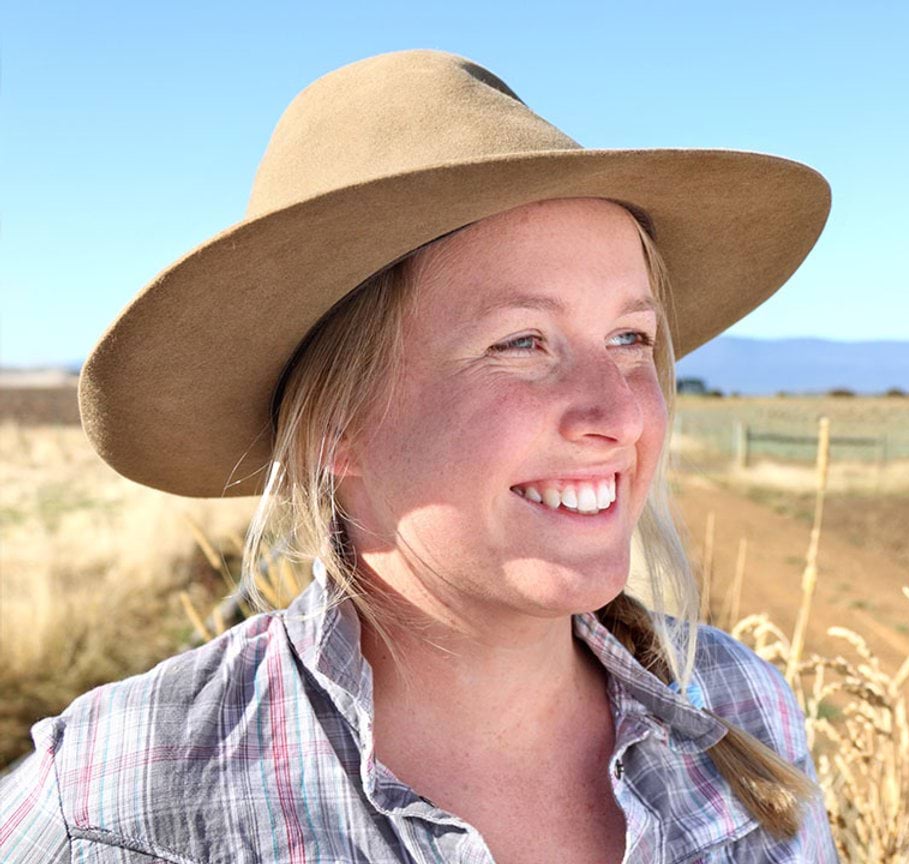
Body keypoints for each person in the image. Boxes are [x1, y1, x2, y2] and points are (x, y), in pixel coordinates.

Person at [0, 49, 835, 862]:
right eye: (521, 342)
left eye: (630, 337)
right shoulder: (129, 803)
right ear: (337, 424)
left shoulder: (740, 711)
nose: (619, 411)